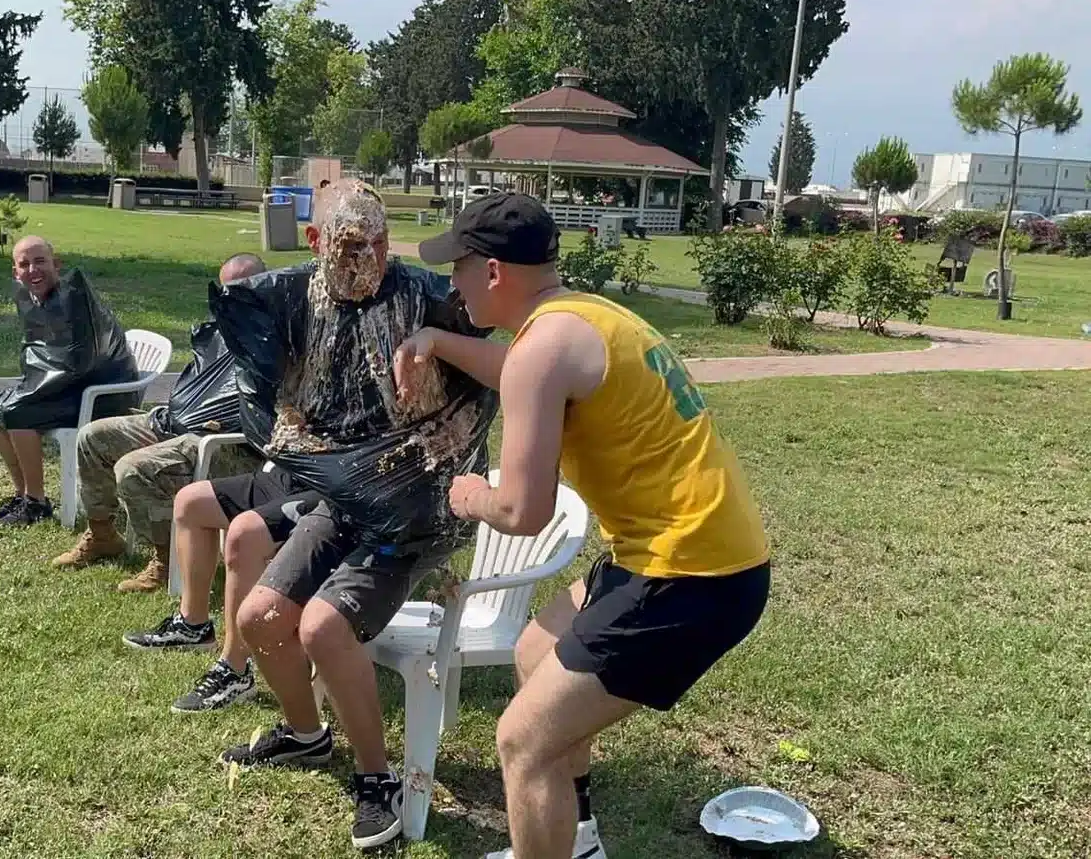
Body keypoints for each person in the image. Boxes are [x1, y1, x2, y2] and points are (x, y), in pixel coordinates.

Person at [401, 193, 772, 859]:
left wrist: (470, 495)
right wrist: (439, 342)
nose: (452, 284)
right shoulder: (579, 318)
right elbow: (518, 370)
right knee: (534, 652)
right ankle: (576, 840)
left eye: (458, 267)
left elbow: (522, 512)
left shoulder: (543, 347)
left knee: (523, 741)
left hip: (689, 576)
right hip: (701, 556)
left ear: (493, 272)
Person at [210, 179, 497, 850]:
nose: (368, 258)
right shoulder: (297, 302)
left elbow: (501, 369)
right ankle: (305, 733)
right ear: (315, 241)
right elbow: (263, 377)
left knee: (323, 627)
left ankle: (377, 778)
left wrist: (437, 343)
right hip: (345, 502)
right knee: (258, 618)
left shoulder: (424, 299)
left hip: (417, 509)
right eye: (350, 245)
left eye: (379, 242)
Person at [52, 253, 268, 592]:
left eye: (245, 287)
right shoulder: (217, 332)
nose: (234, 297)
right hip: (173, 425)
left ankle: (168, 560)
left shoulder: (277, 338)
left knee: (134, 468)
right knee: (93, 436)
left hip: (227, 446)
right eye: (227, 290)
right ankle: (103, 534)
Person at [121, 467, 323, 714]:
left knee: (244, 534)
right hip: (289, 473)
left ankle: (236, 670)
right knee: (190, 502)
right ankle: (193, 626)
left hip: (329, 490)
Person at [0, 236, 142, 526]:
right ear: (15, 272)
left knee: (18, 412)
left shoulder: (74, 301)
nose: (33, 270)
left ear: (57, 264)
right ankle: (23, 494)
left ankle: (36, 503)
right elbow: (44, 354)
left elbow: (80, 363)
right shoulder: (37, 299)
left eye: (40, 261)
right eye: (24, 264)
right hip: (72, 388)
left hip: (102, 395)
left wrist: (31, 393)